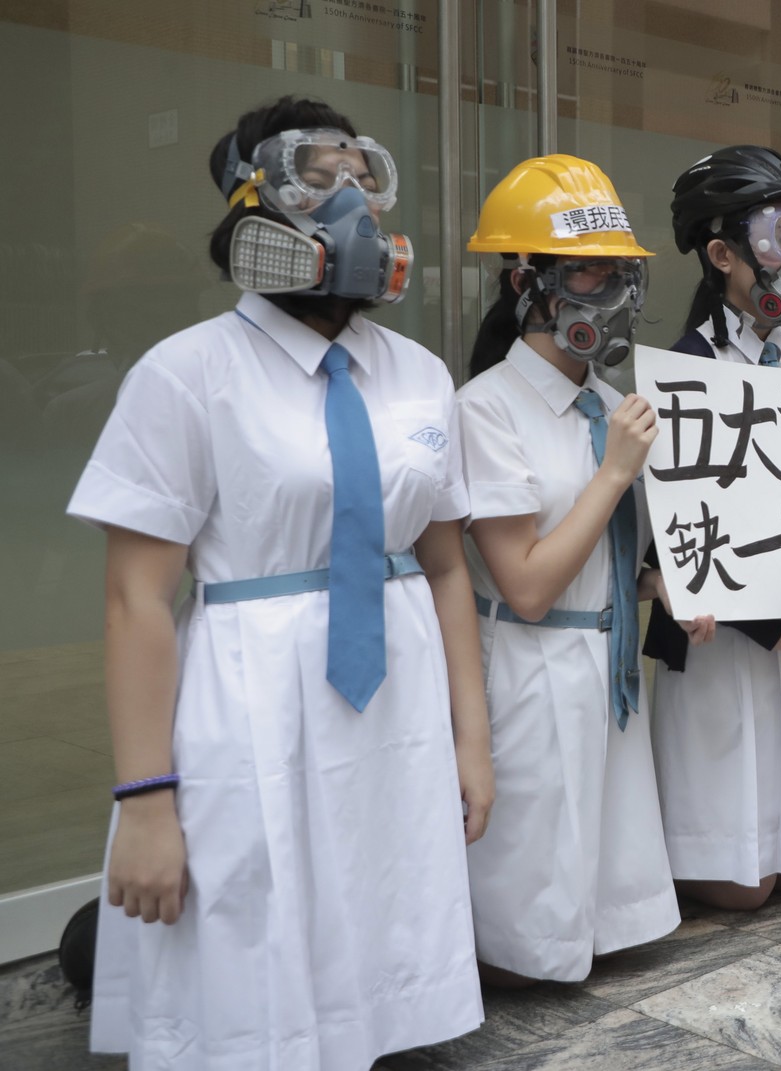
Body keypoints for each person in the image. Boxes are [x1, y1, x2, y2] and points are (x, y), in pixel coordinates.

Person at [66, 97, 491, 1069]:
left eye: (362, 176)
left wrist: (473, 743)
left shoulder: (421, 375)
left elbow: (445, 568)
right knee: (254, 925)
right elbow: (136, 601)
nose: (348, 201)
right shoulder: (185, 374)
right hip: (248, 694)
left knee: (380, 891)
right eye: (316, 175)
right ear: (249, 204)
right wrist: (143, 802)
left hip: (399, 698)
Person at [456, 155, 702, 985]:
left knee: (607, 917)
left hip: (608, 669)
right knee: (528, 934)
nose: (618, 294)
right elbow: (524, 584)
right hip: (532, 673)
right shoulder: (486, 407)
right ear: (526, 280)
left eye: (623, 272)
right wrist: (616, 473)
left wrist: (660, 587)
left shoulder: (610, 398)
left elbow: (609, 549)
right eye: (592, 271)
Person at [646, 145, 781, 910]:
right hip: (727, 645)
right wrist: (774, 625)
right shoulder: (682, 370)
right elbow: (671, 541)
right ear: (721, 253)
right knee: (743, 883)